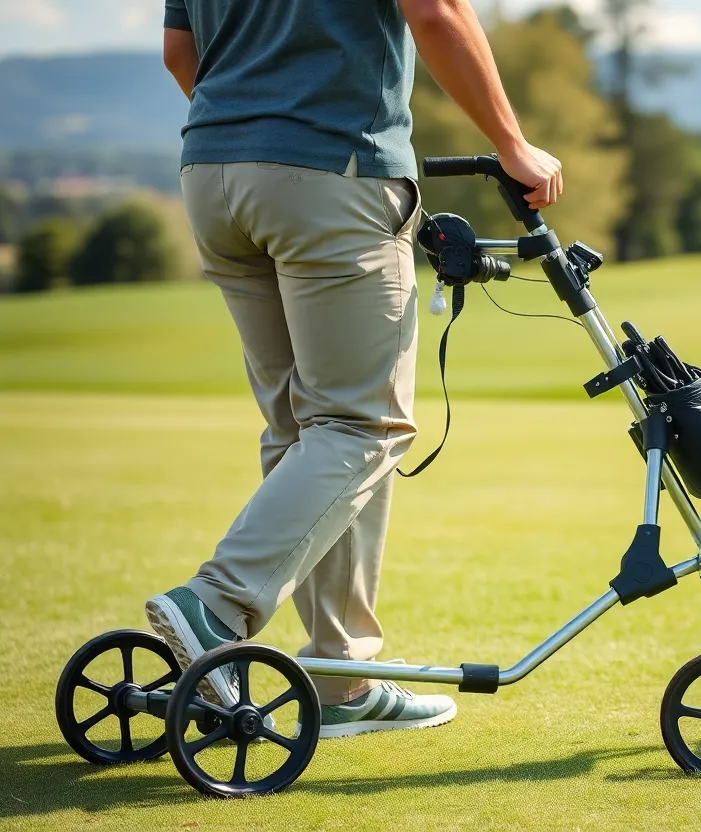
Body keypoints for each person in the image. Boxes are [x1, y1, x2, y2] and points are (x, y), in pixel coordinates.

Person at [148, 0, 562, 739]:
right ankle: (217, 604)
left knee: (306, 430)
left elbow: (180, 52)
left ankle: (341, 680)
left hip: (212, 172)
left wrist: (255, 136)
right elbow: (435, 12)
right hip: (332, 171)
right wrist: (511, 141)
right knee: (361, 424)